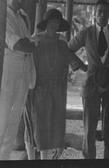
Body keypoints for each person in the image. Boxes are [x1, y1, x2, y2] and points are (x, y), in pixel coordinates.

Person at [68, 0, 109, 159]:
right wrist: (82, 67)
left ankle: (108, 160)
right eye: (99, 11)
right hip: (91, 85)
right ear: (95, 13)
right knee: (89, 128)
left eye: (105, 12)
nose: (102, 14)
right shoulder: (86, 33)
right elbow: (68, 49)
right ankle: (89, 160)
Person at [24, 9, 87, 159]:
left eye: (57, 23)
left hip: (58, 90)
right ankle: (32, 160)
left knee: (54, 124)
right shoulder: (35, 39)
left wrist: (86, 68)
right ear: (45, 24)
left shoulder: (63, 40)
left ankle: (48, 159)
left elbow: (70, 58)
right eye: (51, 22)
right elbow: (26, 62)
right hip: (38, 88)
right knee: (36, 125)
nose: (54, 25)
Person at [0, 0, 38, 160]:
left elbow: (28, 44)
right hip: (8, 71)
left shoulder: (22, 17)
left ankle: (3, 159)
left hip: (23, 72)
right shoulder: (2, 15)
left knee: (13, 121)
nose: (20, 0)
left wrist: (29, 45)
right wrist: (29, 45)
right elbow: (19, 44)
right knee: (2, 119)